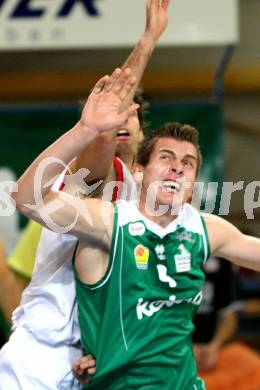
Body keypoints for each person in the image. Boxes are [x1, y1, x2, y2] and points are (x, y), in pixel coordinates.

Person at [10, 66, 260, 389]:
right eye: (167, 158)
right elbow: (28, 198)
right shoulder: (110, 223)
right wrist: (85, 129)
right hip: (51, 360)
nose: (176, 169)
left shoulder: (203, 229)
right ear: (139, 171)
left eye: (187, 164)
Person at [0, 1, 170, 389]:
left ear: (144, 132)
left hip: (95, 364)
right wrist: (147, 42)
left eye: (131, 114)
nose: (122, 119)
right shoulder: (88, 175)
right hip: (40, 359)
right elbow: (102, 136)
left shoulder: (147, 207)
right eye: (116, 113)